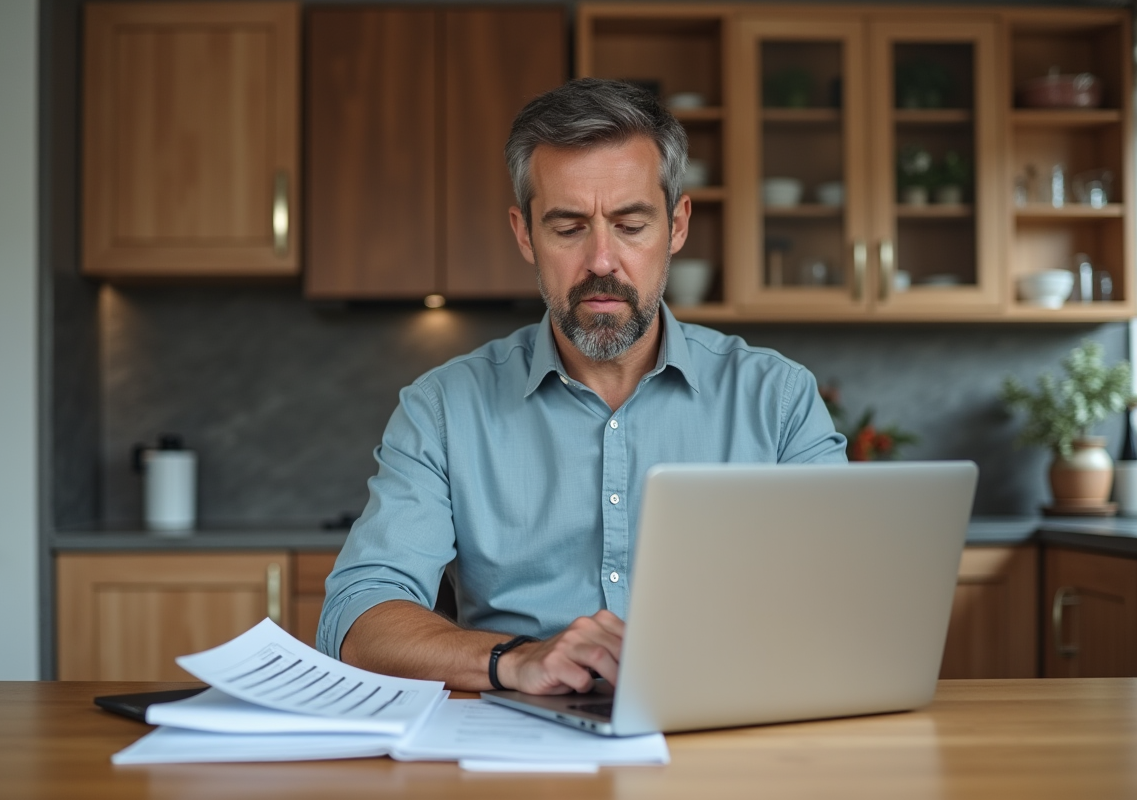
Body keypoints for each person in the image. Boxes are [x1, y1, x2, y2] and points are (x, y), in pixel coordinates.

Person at [318, 78, 846, 694]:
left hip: (727, 727)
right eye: (568, 228)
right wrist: (516, 659)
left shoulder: (778, 400)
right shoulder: (441, 410)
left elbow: (847, 595)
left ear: (676, 226)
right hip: (518, 736)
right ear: (525, 234)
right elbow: (357, 615)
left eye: (631, 225)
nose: (601, 260)